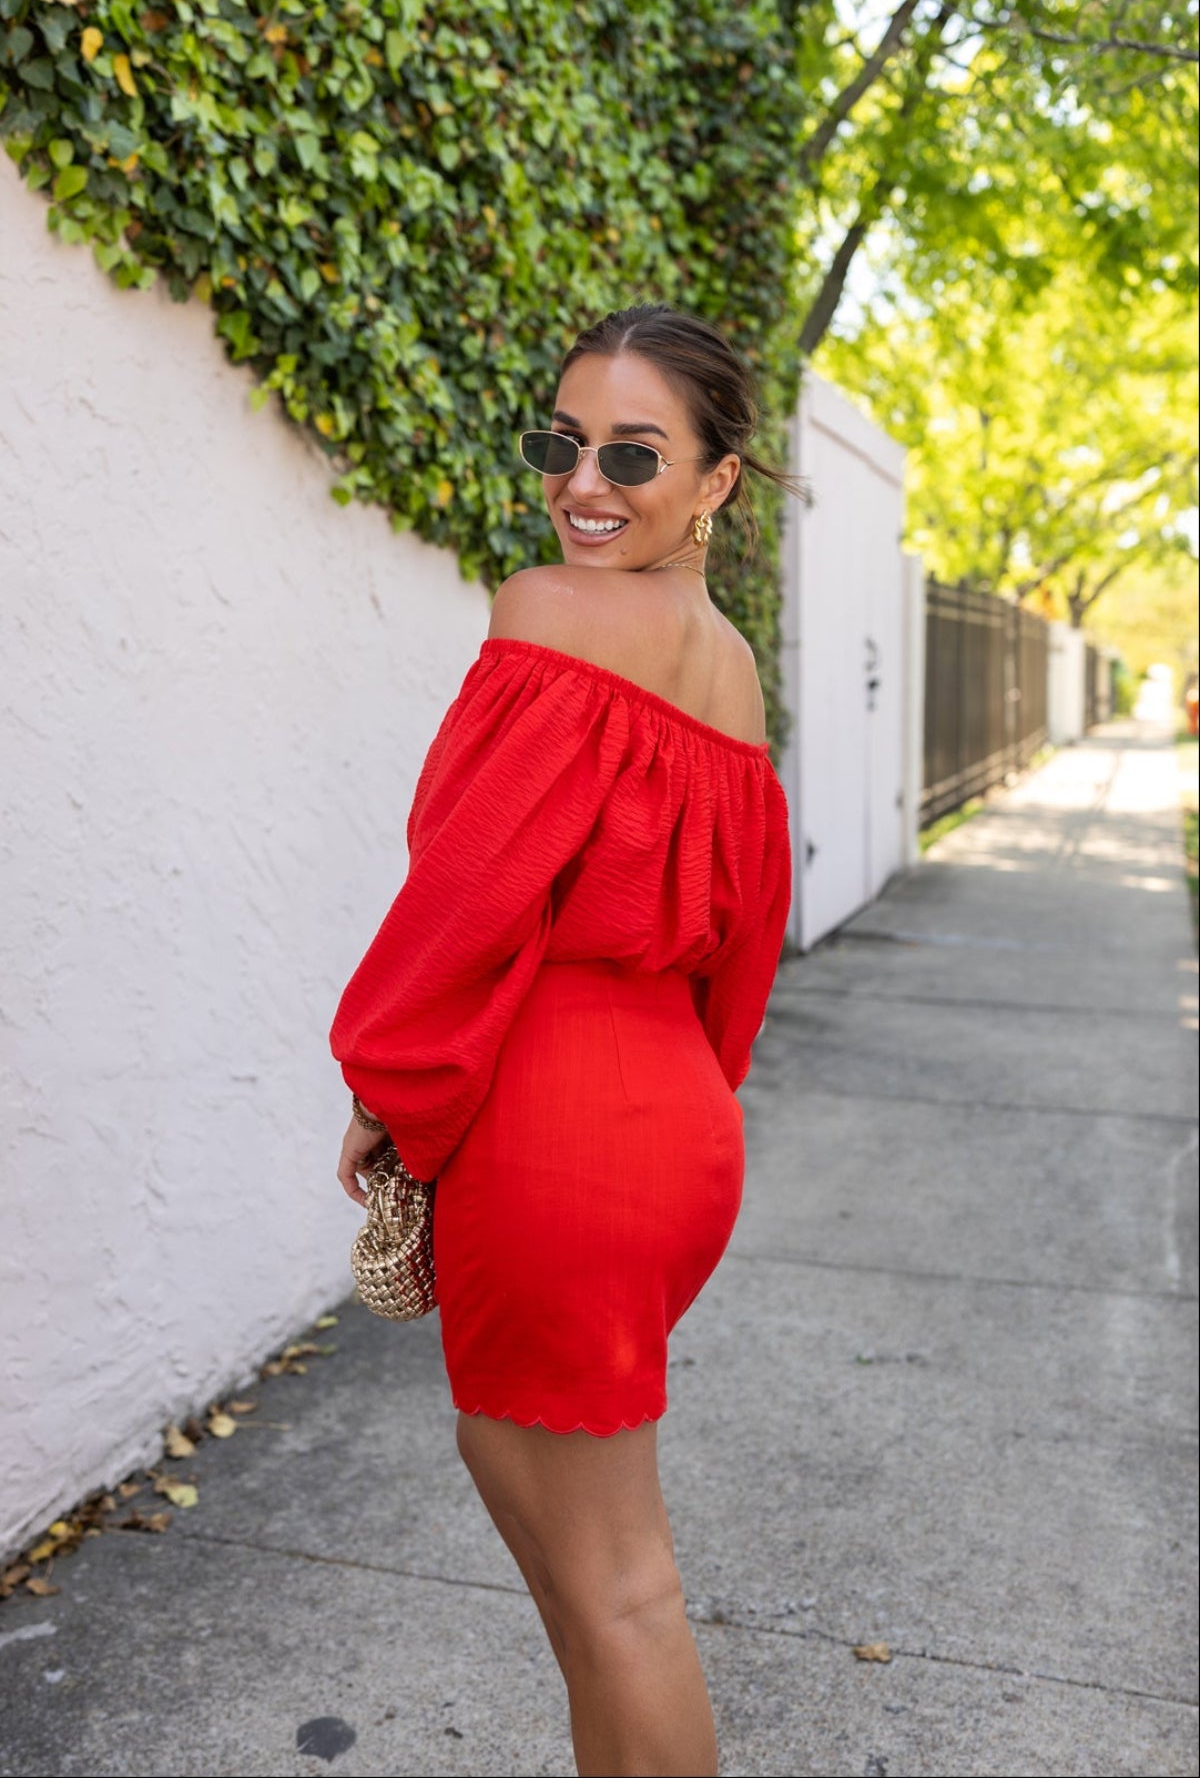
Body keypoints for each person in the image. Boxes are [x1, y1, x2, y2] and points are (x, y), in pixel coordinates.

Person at [330, 302, 794, 1778]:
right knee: (529, 1491)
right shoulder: (729, 669)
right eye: (563, 442)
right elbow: (745, 943)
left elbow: (467, 891)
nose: (582, 482)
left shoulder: (549, 610)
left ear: (718, 481)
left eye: (634, 456)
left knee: (617, 1586)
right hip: (668, 1119)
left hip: (561, 1122)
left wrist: (384, 1083)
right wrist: (682, 1105)